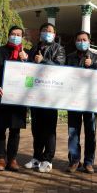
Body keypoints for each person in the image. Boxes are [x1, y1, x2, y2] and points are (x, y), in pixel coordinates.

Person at [25, 22, 66, 173]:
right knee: (36, 128)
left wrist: (43, 61)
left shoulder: (58, 49)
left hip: (50, 95)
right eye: (44, 30)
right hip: (35, 94)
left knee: (49, 128)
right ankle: (36, 157)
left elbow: (60, 68)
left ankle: (48, 159)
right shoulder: (33, 49)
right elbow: (28, 70)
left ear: (54, 35)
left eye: (50, 31)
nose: (47, 33)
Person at [0, 25, 29, 172]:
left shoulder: (26, 54)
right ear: (8, 35)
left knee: (15, 129)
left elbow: (32, 76)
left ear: (22, 37)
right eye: (13, 34)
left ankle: (12, 159)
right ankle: (1, 158)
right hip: (2, 95)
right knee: (0, 128)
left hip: (19, 98)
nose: (15, 36)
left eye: (18, 34)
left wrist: (26, 61)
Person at [65, 31, 97, 174]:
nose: (81, 42)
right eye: (79, 40)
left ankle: (89, 162)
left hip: (90, 101)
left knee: (90, 132)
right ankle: (74, 161)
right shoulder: (69, 57)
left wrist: (92, 65)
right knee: (73, 132)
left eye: (84, 40)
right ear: (75, 41)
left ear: (89, 41)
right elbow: (64, 76)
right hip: (73, 100)